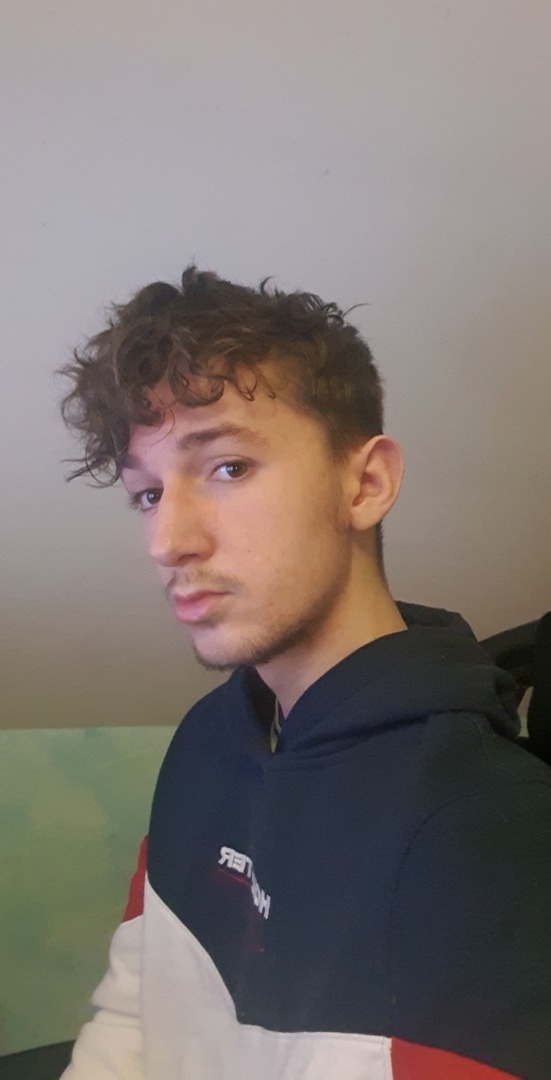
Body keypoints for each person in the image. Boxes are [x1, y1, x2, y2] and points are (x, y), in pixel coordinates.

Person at [57, 266, 551, 1080]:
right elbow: (131, 1012)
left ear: (366, 483)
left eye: (227, 468)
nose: (167, 541)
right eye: (146, 494)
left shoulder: (484, 830)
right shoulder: (205, 737)